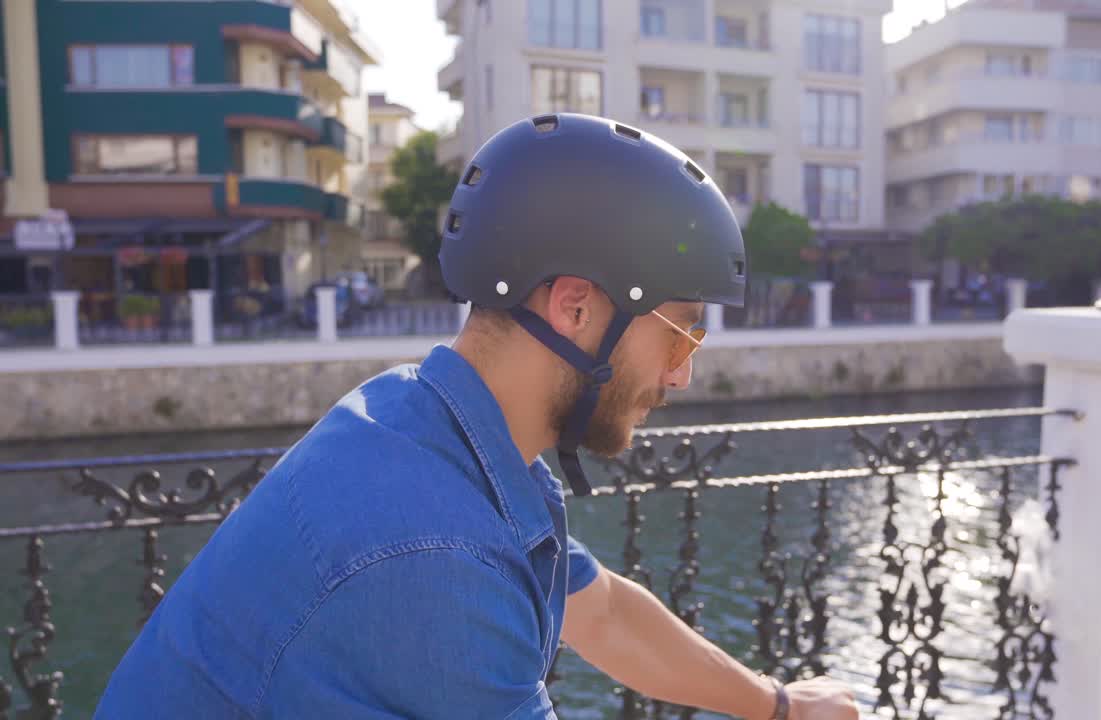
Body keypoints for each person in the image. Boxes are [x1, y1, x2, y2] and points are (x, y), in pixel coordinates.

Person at [94, 113, 861, 719]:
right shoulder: (431, 548)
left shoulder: (422, 419)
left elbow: (604, 617)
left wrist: (779, 706)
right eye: (683, 330)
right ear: (575, 306)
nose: (684, 373)